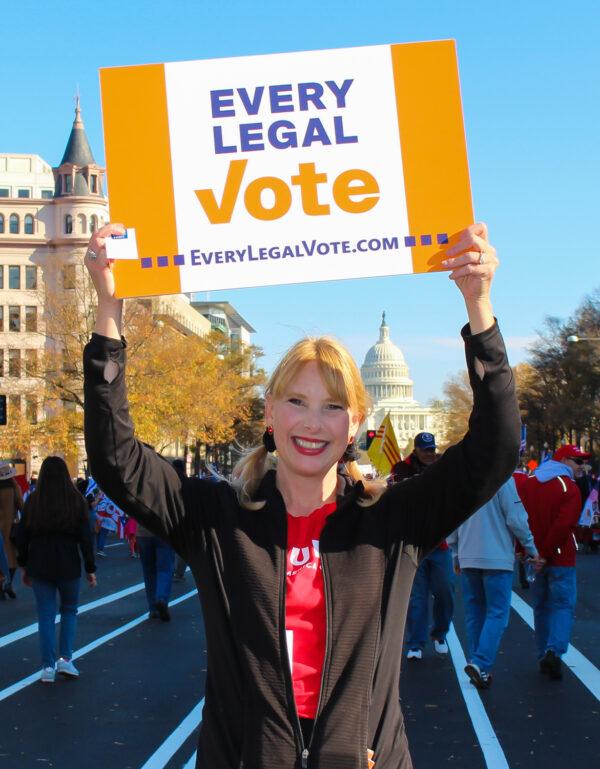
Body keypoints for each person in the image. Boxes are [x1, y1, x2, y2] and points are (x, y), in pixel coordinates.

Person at [83, 221, 519, 769]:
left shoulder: (392, 520)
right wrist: (109, 308)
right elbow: (114, 457)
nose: (313, 424)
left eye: (333, 406)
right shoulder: (218, 519)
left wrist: (479, 306)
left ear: (356, 422)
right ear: (269, 411)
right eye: (296, 401)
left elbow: (496, 447)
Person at [447, 477, 542, 689]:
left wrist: (455, 553)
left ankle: (477, 663)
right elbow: (516, 519)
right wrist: (531, 547)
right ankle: (481, 663)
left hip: (468, 555)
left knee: (474, 613)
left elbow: (452, 520)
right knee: (497, 613)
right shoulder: (503, 480)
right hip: (497, 557)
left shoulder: (464, 481)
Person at [16, 456, 97, 682]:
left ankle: (47, 666)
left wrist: (24, 564)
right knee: (69, 610)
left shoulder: (34, 501)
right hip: (68, 563)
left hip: (40, 563)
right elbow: (85, 538)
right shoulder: (76, 501)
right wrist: (90, 567)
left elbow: (22, 536)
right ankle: (66, 660)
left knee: (46, 614)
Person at [518, 444, 589, 681]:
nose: (582, 466)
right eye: (577, 461)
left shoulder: (530, 482)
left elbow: (520, 519)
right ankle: (554, 651)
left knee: (541, 607)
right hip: (559, 558)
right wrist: (546, 554)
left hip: (534, 555)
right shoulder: (569, 487)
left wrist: (526, 551)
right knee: (562, 605)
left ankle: (543, 654)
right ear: (563, 461)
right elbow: (563, 525)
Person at [391, 433, 455, 659]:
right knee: (417, 597)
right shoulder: (401, 469)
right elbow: (398, 499)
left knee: (445, 592)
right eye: (425, 450)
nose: (429, 454)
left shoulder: (442, 467)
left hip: (439, 543)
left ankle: (440, 633)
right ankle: (415, 644)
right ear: (415, 449)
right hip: (413, 543)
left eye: (432, 449)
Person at [0, 461, 24, 599]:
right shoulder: (14, 487)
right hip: (10, 528)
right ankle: (8, 584)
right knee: (11, 559)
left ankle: (1, 584)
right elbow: (21, 505)